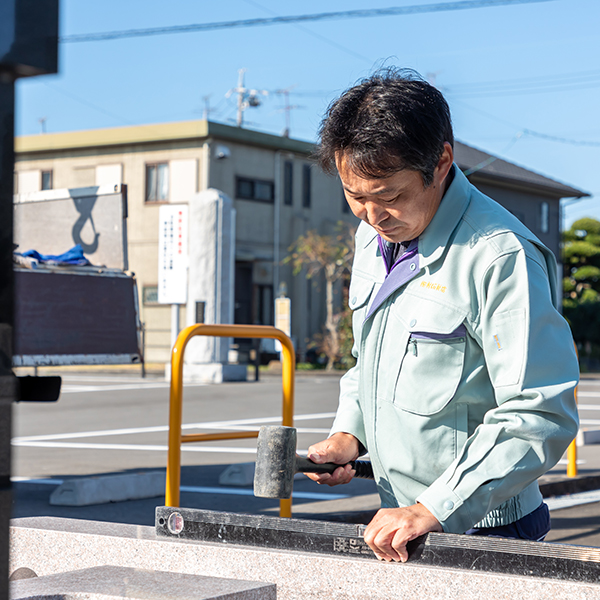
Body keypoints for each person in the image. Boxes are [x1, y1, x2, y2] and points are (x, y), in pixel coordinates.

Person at [305, 68, 579, 563]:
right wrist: (350, 433)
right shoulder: (374, 237)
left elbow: (539, 411)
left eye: (388, 195)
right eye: (354, 195)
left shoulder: (499, 254)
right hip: (400, 521)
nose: (371, 214)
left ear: (441, 161)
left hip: (485, 530)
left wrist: (433, 506)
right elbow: (370, 358)